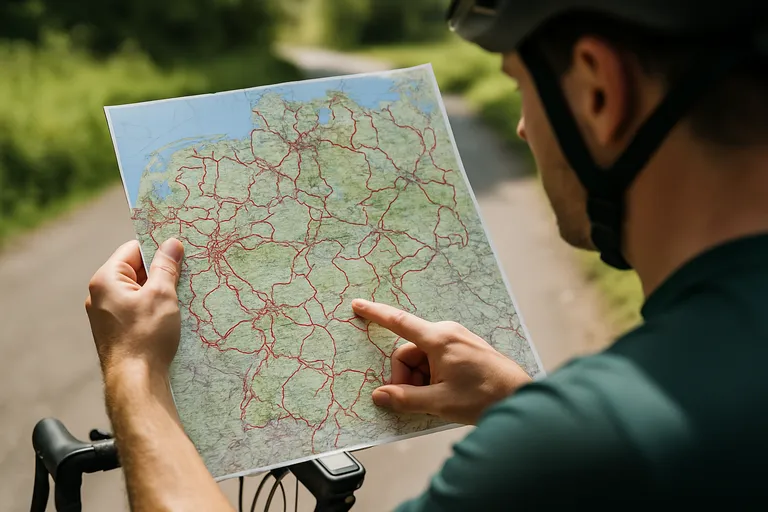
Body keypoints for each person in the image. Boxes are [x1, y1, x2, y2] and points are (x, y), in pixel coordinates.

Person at [85, 0, 768, 509]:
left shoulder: (584, 446)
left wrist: (133, 371)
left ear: (597, 90)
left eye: (521, 84)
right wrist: (517, 402)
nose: (523, 127)